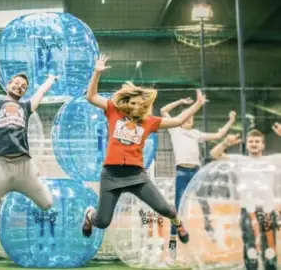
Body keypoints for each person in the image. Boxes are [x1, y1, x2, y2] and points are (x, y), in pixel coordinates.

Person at [81, 55, 207, 246]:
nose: (135, 106)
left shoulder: (149, 122)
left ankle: (178, 223)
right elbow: (91, 97)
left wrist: (197, 105)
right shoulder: (114, 111)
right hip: (111, 174)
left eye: (139, 103)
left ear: (144, 106)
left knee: (166, 210)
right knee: (103, 222)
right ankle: (90, 214)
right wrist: (97, 73)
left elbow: (179, 120)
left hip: (137, 175)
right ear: (126, 103)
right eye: (131, 103)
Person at [0, 66, 57, 215]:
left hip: (23, 165)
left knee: (47, 203)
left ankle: (35, 176)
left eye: (23, 87)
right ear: (9, 84)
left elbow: (41, 92)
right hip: (0, 165)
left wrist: (50, 80)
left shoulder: (26, 107)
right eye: (16, 83)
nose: (19, 87)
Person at [160, 98, 237, 257]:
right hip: (182, 172)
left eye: (191, 118)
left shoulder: (196, 134)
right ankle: (173, 239)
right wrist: (180, 102)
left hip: (196, 172)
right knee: (178, 207)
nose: (189, 119)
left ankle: (210, 232)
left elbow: (219, 134)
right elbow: (163, 110)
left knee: (204, 202)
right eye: (186, 117)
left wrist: (231, 121)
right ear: (181, 119)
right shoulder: (175, 130)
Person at [210, 127, 281, 270]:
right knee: (250, 248)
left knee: (270, 248)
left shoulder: (273, 160)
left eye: (257, 141)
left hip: (267, 211)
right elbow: (214, 154)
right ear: (246, 144)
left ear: (263, 145)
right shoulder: (238, 160)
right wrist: (225, 143)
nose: (254, 144)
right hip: (247, 210)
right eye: (251, 141)